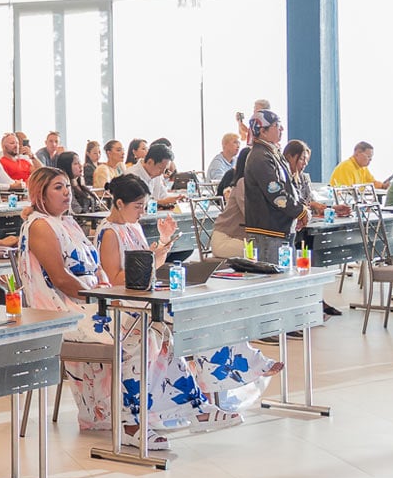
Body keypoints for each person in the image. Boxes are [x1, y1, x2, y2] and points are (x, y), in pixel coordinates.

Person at [17, 167, 218, 446]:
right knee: (137, 335)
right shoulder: (40, 225)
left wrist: (107, 292)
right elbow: (61, 279)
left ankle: (182, 408)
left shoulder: (68, 222)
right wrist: (101, 297)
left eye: (67, 187)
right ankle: (129, 423)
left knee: (157, 330)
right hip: (61, 311)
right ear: (40, 193)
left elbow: (97, 268)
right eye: (58, 188)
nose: (66, 193)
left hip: (91, 300)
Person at [96, 172, 278, 417]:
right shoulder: (110, 233)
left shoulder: (132, 227)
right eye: (138, 206)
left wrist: (163, 245)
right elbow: (114, 279)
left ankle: (226, 376)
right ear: (119, 203)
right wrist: (152, 261)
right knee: (198, 317)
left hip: (146, 292)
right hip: (128, 301)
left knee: (212, 310)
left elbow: (147, 265)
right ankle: (217, 384)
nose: (142, 212)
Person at [240, 113, 297, 267]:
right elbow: (275, 193)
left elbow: (289, 186)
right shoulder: (260, 157)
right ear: (263, 131)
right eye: (276, 125)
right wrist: (299, 211)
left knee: (287, 276)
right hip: (268, 232)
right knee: (274, 276)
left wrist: (301, 209)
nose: (282, 129)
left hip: (279, 228)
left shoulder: (272, 152)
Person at [133, 142, 179, 208]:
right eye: (160, 168)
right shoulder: (132, 175)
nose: (162, 172)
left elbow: (163, 195)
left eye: (165, 169)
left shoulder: (157, 174)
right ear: (150, 162)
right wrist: (161, 202)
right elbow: (135, 205)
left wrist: (174, 199)